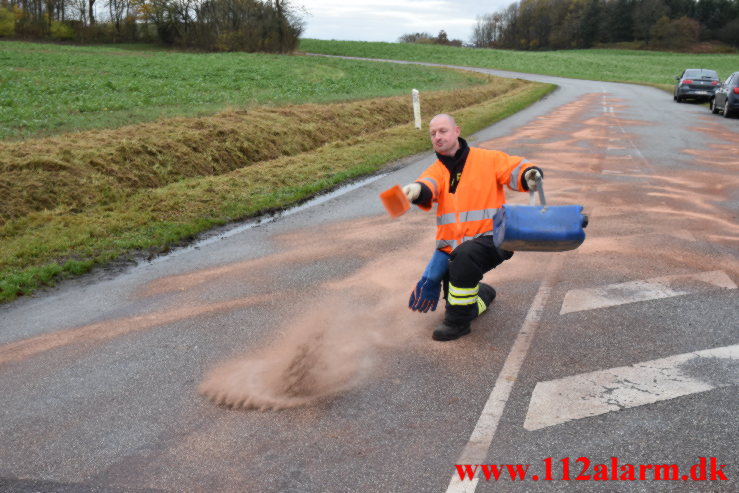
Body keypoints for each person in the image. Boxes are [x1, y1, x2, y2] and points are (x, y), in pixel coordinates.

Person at [403, 113, 543, 341]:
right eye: (433, 134)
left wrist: (529, 174)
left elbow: (514, 168)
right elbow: (428, 185)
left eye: (443, 131)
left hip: (494, 238)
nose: (437, 137)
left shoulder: (486, 159)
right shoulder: (436, 171)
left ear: (457, 131)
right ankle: (482, 296)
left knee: (464, 260)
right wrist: (418, 191)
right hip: (458, 249)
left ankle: (457, 324)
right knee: (456, 294)